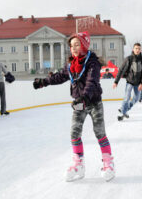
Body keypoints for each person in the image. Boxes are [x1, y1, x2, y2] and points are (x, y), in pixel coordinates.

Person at [33, 31, 115, 182]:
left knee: (100, 132)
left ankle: (108, 163)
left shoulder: (93, 62)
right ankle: (79, 165)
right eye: (71, 46)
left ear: (84, 45)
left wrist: (84, 97)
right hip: (79, 103)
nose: (74, 48)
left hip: (93, 102)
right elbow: (59, 76)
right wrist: (43, 82)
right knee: (74, 133)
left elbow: (92, 82)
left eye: (77, 44)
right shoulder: (71, 64)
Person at [113, 43, 142, 121]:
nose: (137, 50)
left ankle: (124, 109)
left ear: (140, 50)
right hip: (129, 82)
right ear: (133, 49)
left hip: (138, 83)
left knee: (136, 98)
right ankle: (123, 112)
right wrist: (116, 81)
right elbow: (121, 70)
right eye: (136, 48)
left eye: (139, 48)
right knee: (127, 97)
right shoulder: (128, 59)